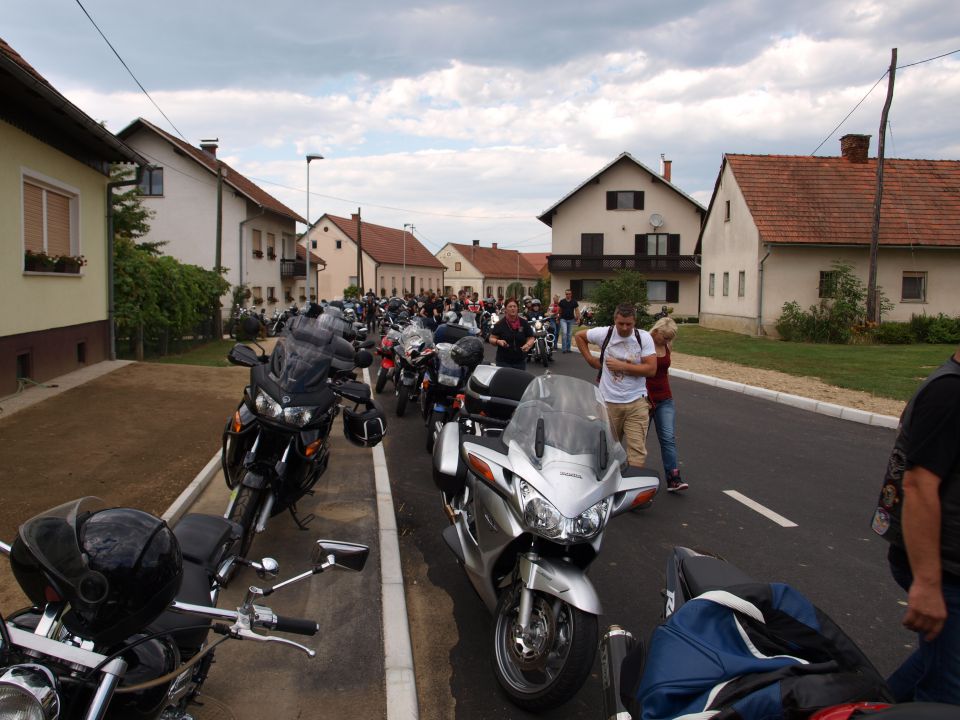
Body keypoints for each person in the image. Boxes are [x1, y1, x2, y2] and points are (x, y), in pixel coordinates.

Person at [872, 343, 960, 704]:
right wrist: (927, 583)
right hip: (944, 570)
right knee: (948, 693)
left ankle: (865, 708)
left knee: (936, 663)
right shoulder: (949, 392)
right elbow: (920, 485)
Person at [574, 303, 656, 468]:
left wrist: (622, 366)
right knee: (607, 450)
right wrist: (590, 360)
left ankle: (633, 487)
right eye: (621, 324)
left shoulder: (644, 337)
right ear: (615, 320)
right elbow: (579, 336)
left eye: (629, 324)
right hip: (608, 402)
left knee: (637, 452)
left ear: (635, 322)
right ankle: (607, 487)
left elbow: (651, 369)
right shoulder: (605, 333)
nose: (625, 328)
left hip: (637, 402)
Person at [647, 317, 688, 492]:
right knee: (639, 441)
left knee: (668, 438)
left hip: (664, 399)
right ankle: (631, 477)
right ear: (656, 331)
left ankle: (673, 478)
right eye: (664, 337)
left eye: (669, 338)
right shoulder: (644, 344)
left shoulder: (667, 346)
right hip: (644, 399)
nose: (667, 341)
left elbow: (664, 371)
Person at [488, 297, 534, 370]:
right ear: (505, 309)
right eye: (510, 306)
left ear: (517, 308)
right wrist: (498, 341)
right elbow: (491, 339)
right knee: (505, 381)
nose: (513, 308)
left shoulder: (524, 323)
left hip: (520, 361)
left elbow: (531, 338)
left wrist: (528, 345)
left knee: (519, 381)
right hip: (503, 362)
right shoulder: (500, 324)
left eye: (514, 306)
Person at [557, 289, 580, 353]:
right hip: (563, 319)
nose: (568, 295)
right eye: (567, 294)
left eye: (569, 294)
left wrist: (578, 319)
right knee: (564, 333)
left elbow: (577, 310)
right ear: (565, 294)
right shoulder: (562, 301)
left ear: (571, 294)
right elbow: (559, 311)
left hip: (571, 319)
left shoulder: (574, 302)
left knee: (569, 334)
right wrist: (557, 318)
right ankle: (564, 349)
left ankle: (568, 348)